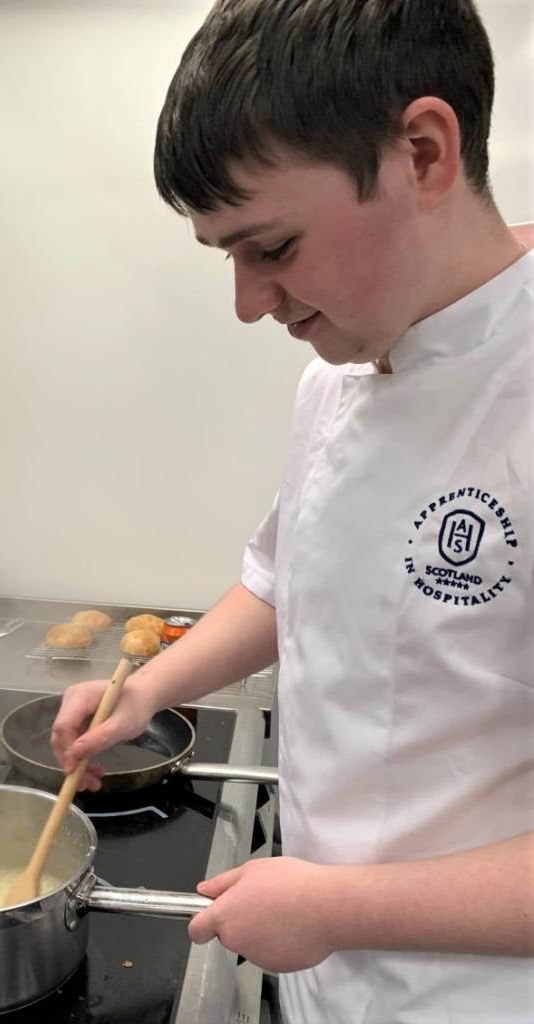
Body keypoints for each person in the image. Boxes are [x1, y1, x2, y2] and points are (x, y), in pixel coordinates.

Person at [49, 1, 534, 1021]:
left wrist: (337, 904)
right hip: (320, 974)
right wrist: (149, 688)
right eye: (224, 254)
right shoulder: (338, 372)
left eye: (268, 246)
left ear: (423, 153)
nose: (245, 301)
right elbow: (287, 580)